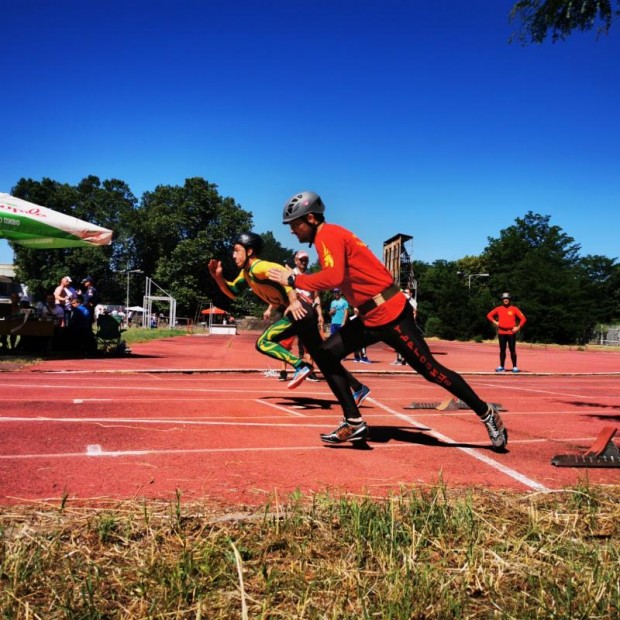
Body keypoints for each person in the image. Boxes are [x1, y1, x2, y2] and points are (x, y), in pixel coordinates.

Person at [268, 190, 507, 451]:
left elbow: (333, 278)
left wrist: (293, 280)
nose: (292, 231)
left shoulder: (329, 235)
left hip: (392, 315)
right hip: (370, 317)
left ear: (311, 219)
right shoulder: (331, 236)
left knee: (432, 371)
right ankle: (353, 421)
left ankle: (487, 413)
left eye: (294, 224)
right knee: (325, 355)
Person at [208, 232, 370, 403]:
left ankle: (301, 366)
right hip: (305, 312)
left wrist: (293, 301)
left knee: (263, 342)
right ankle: (358, 388)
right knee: (323, 357)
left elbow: (282, 272)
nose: (233, 255)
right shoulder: (247, 274)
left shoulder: (258, 267)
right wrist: (218, 278)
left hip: (300, 311)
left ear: (249, 251)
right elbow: (232, 292)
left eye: (237, 250)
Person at [292, 250, 322, 381]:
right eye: (301, 260)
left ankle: (310, 370)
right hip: (295, 314)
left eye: (306, 260)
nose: (303, 262)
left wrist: (320, 314)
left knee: (311, 343)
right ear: (295, 260)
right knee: (295, 343)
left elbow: (317, 297)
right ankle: (299, 368)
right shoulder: (290, 275)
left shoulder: (312, 277)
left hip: (309, 314)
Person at [486, 293, 527, 373]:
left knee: (512, 350)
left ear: (509, 300)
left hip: (511, 333)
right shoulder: (498, 309)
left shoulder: (514, 309)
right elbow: (489, 315)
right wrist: (495, 322)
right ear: (502, 300)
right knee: (502, 350)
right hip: (501, 332)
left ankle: (515, 367)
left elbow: (523, 319)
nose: (506, 300)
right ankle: (501, 366)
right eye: (504, 299)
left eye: (507, 298)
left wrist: (518, 327)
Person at [393, 288, 417, 365]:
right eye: (404, 292)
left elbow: (414, 313)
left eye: (406, 292)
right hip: (400, 324)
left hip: (408, 325)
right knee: (398, 342)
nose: (405, 294)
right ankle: (399, 359)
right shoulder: (401, 300)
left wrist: (412, 323)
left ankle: (406, 360)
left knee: (408, 343)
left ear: (411, 294)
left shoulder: (413, 302)